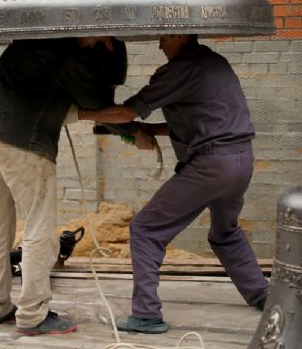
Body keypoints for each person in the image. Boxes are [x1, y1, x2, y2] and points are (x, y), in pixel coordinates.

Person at [78, 34, 269, 334]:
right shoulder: (215, 62)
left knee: (145, 229)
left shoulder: (179, 70)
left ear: (180, 35)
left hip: (212, 165)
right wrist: (143, 130)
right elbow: (194, 122)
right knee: (225, 233)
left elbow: (128, 111)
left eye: (164, 38)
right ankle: (263, 295)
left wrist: (81, 114)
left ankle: (146, 315)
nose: (159, 45)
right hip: (241, 160)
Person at [0, 36, 131, 336]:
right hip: (22, 142)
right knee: (39, 228)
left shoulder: (34, 39)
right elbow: (97, 103)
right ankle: (33, 315)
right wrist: (132, 128)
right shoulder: (68, 55)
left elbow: (48, 99)